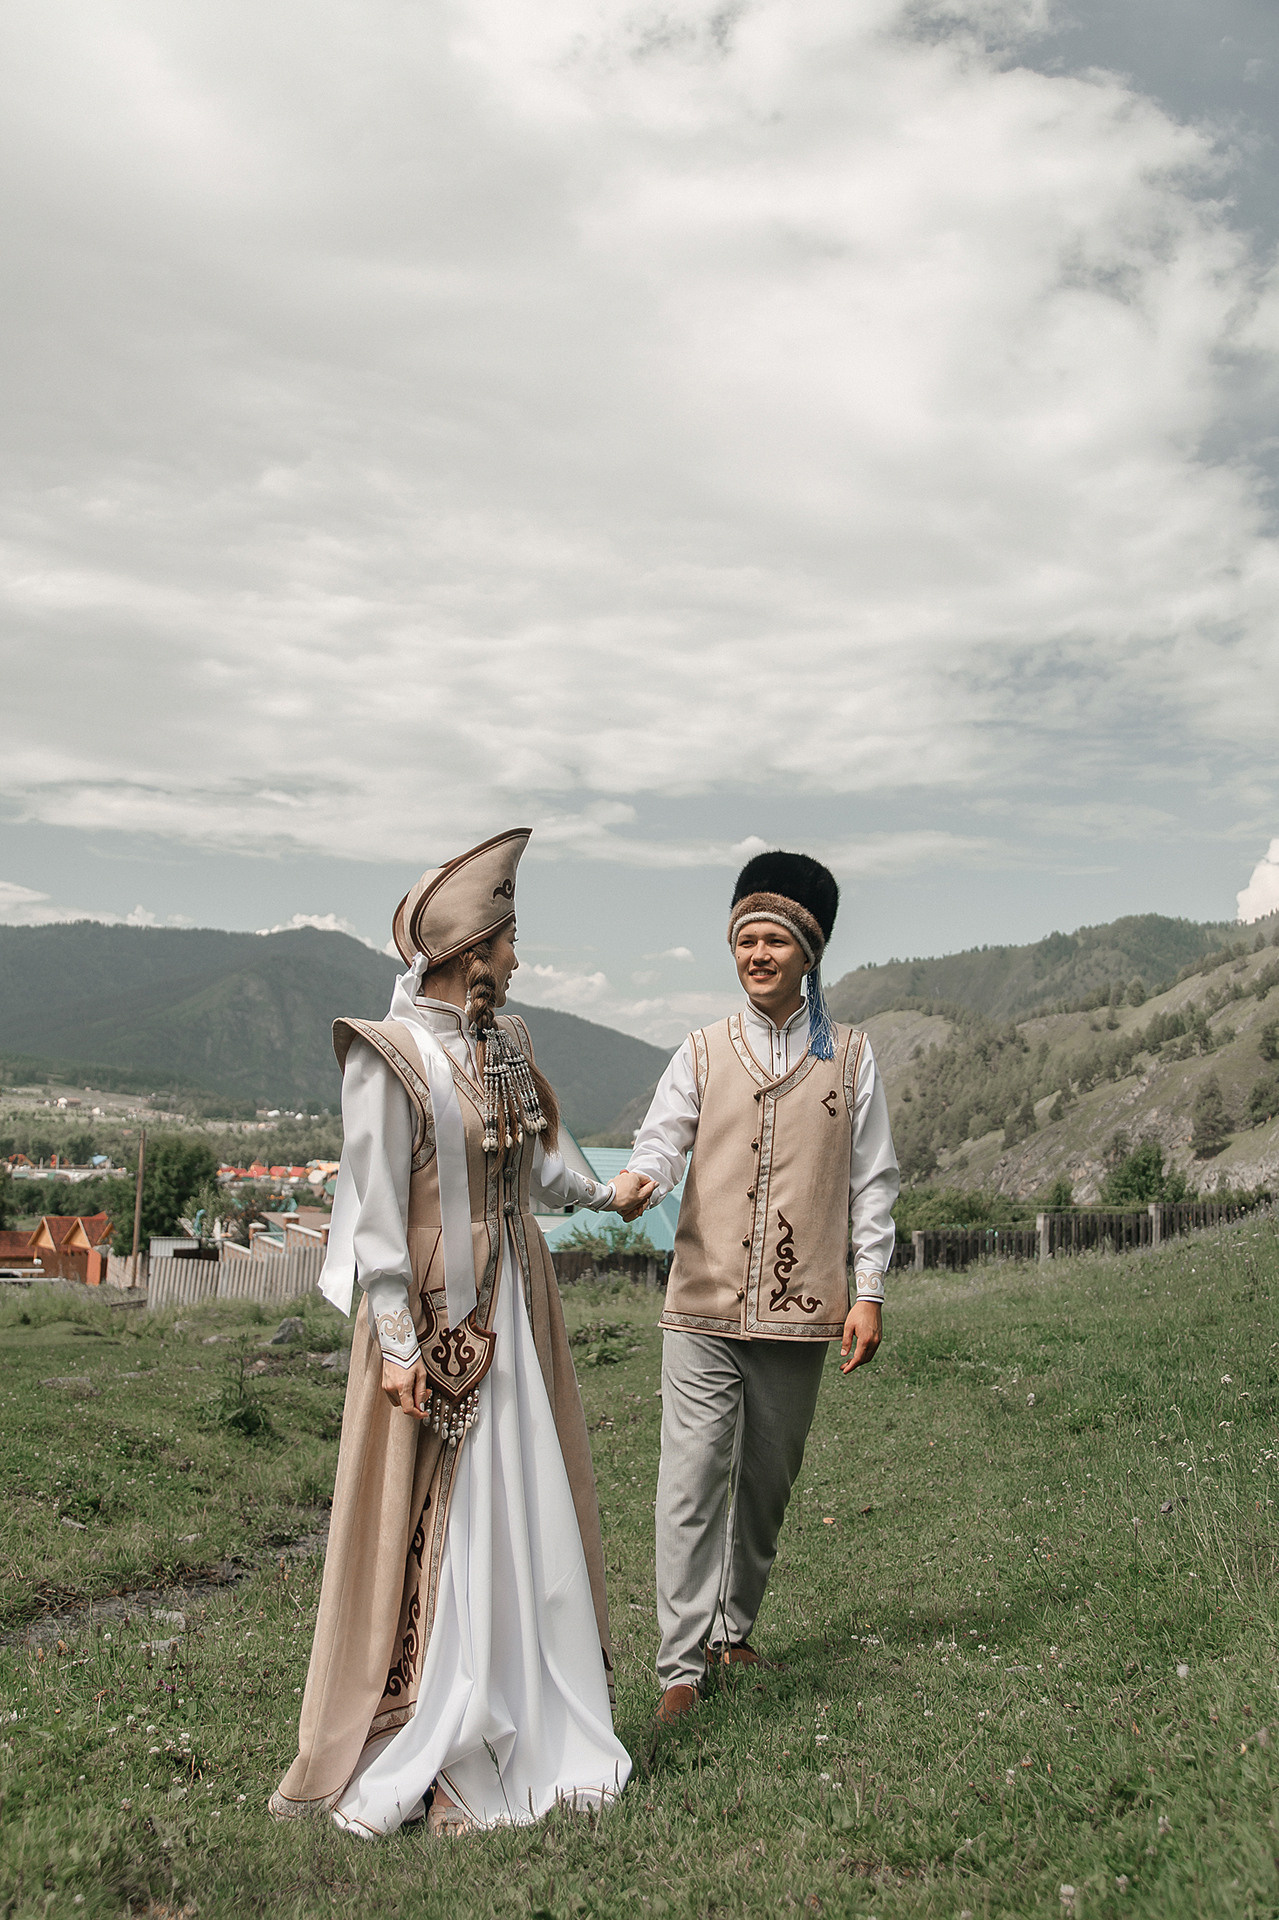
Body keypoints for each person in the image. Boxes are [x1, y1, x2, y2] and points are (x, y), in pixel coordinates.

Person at [270, 827, 653, 1835]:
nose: (518, 959)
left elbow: (542, 1165)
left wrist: (610, 1194)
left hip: (514, 1308)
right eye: (509, 939)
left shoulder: (509, 1046)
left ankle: (524, 1717)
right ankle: (434, 1742)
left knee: (524, 1500)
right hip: (434, 1317)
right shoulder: (387, 1057)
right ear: (469, 950)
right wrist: (395, 1339)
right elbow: (373, 1209)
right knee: (454, 1514)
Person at [620, 850, 899, 1724]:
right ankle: (680, 1668)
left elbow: (873, 1181)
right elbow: (661, 1140)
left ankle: (733, 1631)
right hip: (699, 1303)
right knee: (691, 1479)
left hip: (800, 1311)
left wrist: (868, 1290)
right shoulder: (701, 1052)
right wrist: (640, 1180)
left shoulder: (849, 1061)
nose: (756, 954)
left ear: (807, 953)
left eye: (774, 939)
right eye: (745, 939)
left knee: (767, 1482)